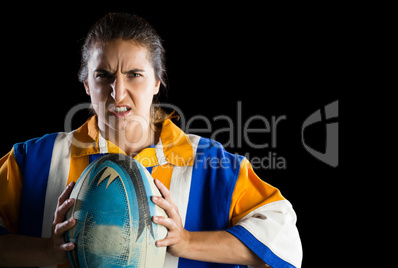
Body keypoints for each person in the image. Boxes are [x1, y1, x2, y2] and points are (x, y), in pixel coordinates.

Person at [0, 13, 302, 268]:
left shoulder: (212, 165)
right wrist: (45, 251)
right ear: (86, 84)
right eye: (104, 75)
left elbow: (284, 236)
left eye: (134, 74)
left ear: (157, 81)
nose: (118, 93)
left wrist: (186, 242)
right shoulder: (34, 160)